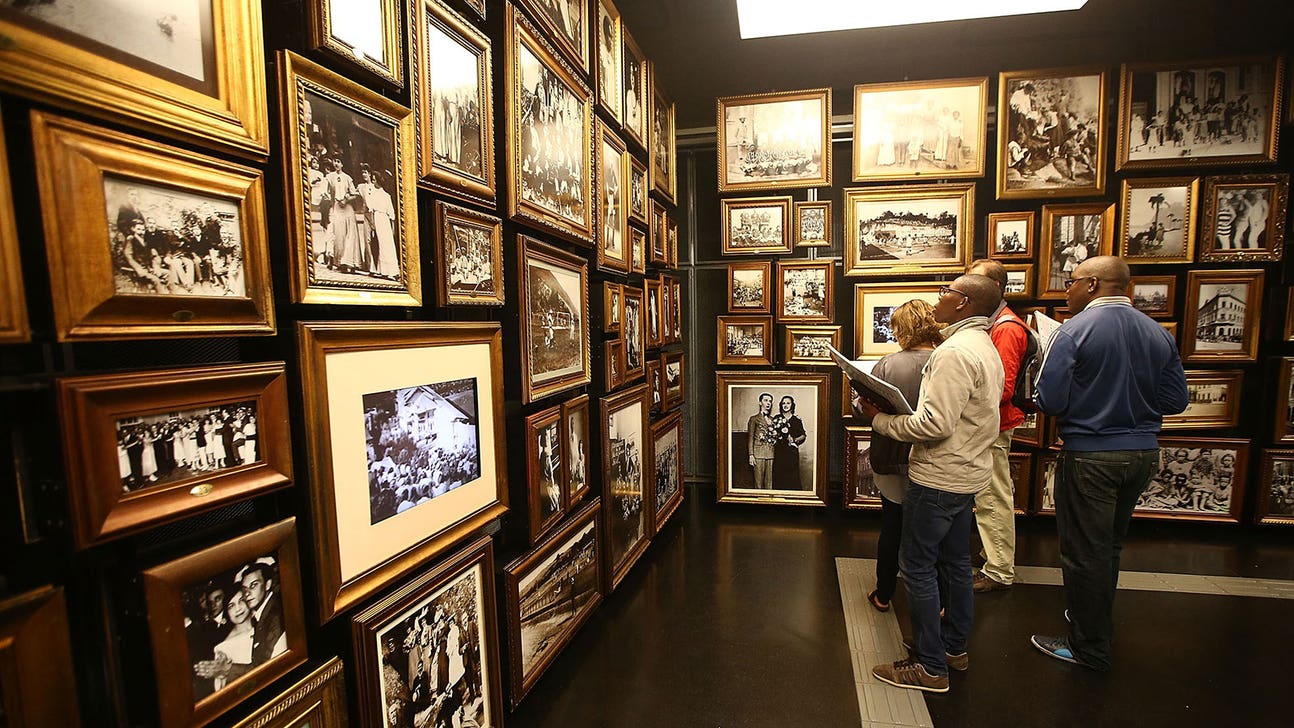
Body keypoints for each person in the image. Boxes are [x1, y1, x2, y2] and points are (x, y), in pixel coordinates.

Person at [1029, 256, 1188, 671]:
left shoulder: (1073, 331)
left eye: (1072, 282)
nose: (1067, 290)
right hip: (1142, 453)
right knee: (1110, 547)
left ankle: (1088, 646)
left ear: (1093, 284)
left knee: (1084, 552)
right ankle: (1094, 620)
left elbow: (1049, 401)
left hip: (1091, 454)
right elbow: (1176, 400)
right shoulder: (1157, 333)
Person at [855, 275, 1005, 693]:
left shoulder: (955, 353)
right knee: (956, 564)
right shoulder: (984, 345)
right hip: (968, 473)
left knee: (917, 567)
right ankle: (954, 648)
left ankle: (929, 665)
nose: (940, 298)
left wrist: (879, 420)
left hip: (940, 476)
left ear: (964, 303)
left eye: (947, 293)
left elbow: (934, 424)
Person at [852, 300, 942, 613]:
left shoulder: (887, 365)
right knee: (933, 533)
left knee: (892, 526)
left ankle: (884, 593)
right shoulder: (947, 361)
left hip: (890, 458)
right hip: (933, 460)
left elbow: (862, 409)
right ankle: (939, 600)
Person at [965, 260, 1030, 592]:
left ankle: (999, 569)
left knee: (993, 496)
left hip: (994, 425)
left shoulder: (1006, 328)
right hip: (989, 423)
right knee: (987, 494)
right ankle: (993, 555)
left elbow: (1001, 387)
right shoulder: (996, 323)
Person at [770, 395, 806, 490]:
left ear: (792, 405)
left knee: (792, 477)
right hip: (779, 452)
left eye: (788, 403)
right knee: (779, 476)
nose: (785, 405)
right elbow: (771, 432)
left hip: (792, 453)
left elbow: (803, 435)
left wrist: (794, 440)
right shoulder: (777, 418)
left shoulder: (797, 420)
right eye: (783, 403)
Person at [746, 393, 776, 489]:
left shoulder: (773, 420)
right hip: (758, 453)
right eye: (765, 400)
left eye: (770, 401)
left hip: (770, 453)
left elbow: (776, 437)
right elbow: (750, 437)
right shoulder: (754, 419)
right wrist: (751, 455)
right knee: (758, 483)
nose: (768, 403)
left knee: (769, 483)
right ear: (760, 402)